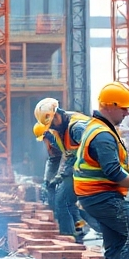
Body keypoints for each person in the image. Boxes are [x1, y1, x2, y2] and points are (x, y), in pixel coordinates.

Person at [73, 82, 129, 259]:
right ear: (110, 106)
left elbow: (109, 165)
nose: (127, 113)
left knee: (117, 243)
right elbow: (113, 171)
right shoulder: (103, 135)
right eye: (123, 108)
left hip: (94, 196)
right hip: (101, 197)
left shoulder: (98, 127)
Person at [35, 97, 91, 239]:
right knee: (66, 201)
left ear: (58, 113)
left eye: (53, 122)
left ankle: (70, 236)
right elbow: (61, 156)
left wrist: (64, 173)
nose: (52, 126)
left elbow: (89, 153)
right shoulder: (59, 131)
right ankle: (77, 233)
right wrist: (49, 180)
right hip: (80, 168)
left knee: (65, 200)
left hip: (94, 167)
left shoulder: (77, 127)